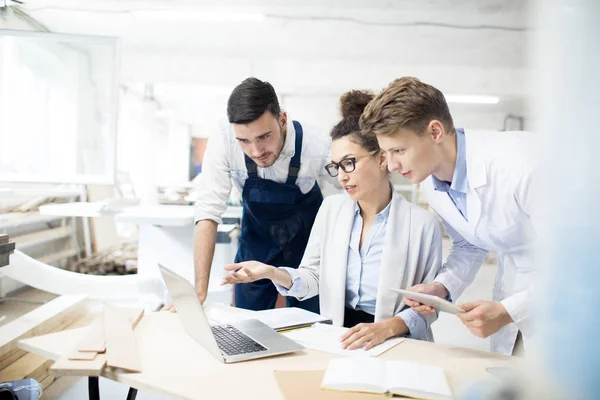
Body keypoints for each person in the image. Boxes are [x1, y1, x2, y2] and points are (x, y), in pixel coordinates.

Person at [221, 91, 442, 350]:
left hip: (397, 343)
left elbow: (429, 306)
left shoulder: (422, 226)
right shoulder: (332, 210)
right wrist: (271, 272)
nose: (342, 177)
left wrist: (386, 328)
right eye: (336, 167)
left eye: (349, 163)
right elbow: (313, 277)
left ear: (382, 158)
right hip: (338, 339)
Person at [359, 77, 537, 355]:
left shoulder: (523, 166)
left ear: (435, 132)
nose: (392, 165)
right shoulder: (431, 178)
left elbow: (581, 266)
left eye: (399, 150)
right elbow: (470, 243)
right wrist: (440, 288)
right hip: (518, 299)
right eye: (385, 153)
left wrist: (508, 311)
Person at [187, 77, 333, 312]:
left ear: (282, 120)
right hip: (255, 249)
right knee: (247, 327)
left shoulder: (317, 147)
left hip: (306, 254)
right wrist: (199, 289)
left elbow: (355, 197)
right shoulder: (224, 140)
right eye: (244, 141)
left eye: (264, 137)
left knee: (310, 329)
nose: (256, 151)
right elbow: (208, 211)